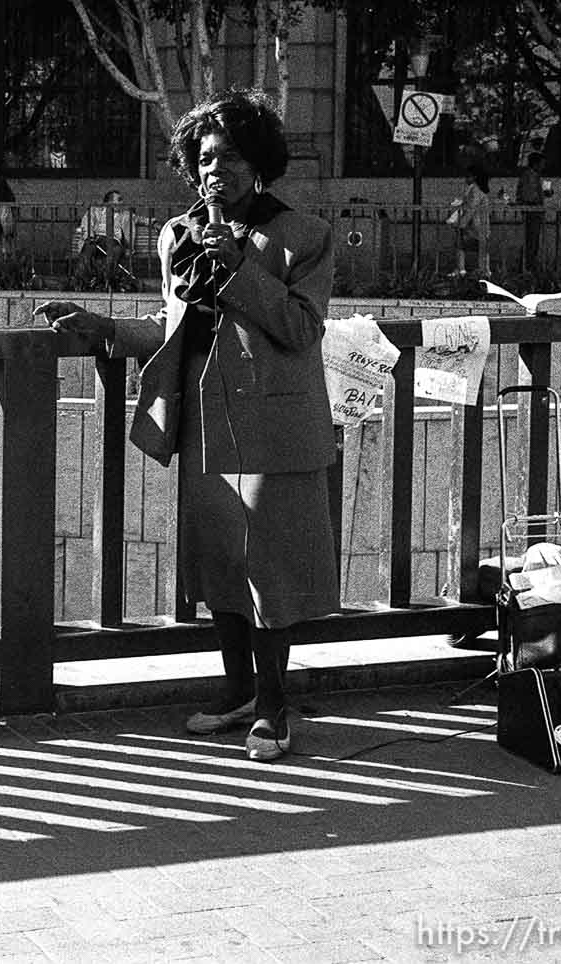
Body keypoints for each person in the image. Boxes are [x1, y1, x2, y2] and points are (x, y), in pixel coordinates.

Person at [35, 91, 337, 763]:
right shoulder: (178, 234)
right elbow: (174, 329)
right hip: (205, 420)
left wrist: (235, 267)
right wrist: (105, 328)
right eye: (203, 158)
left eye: (228, 155)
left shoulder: (302, 236)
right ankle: (235, 691)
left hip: (274, 427)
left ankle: (273, 708)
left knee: (269, 570)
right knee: (221, 563)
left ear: (257, 162)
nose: (213, 170)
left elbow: (298, 328)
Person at [450, 163, 492, 277]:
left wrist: (461, 224)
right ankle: (484, 270)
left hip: (475, 224)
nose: (465, 179)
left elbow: (471, 208)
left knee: (460, 245)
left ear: (474, 177)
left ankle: (462, 269)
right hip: (481, 224)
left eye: (468, 176)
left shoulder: (475, 190)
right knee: (481, 248)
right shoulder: (481, 190)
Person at [515, 152, 545, 271]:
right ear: (536, 164)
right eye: (542, 164)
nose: (543, 166)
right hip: (532, 213)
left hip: (534, 212)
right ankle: (527, 267)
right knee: (531, 241)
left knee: (532, 241)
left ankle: (527, 266)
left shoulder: (532, 176)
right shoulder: (530, 176)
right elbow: (529, 196)